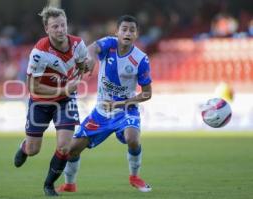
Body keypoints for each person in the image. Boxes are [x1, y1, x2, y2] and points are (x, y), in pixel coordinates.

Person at [56, 15, 153, 194]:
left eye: (132, 30)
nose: (128, 33)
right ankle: (70, 184)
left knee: (132, 138)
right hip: (101, 113)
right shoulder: (109, 43)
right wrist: (91, 58)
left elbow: (147, 93)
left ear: (137, 34)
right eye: (124, 29)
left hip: (125, 109)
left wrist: (120, 104)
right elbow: (91, 49)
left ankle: (134, 176)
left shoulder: (141, 59)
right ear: (117, 32)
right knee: (71, 150)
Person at [13, 6, 88, 196]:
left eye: (63, 25)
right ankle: (24, 147)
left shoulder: (78, 44)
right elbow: (32, 87)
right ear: (47, 29)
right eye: (55, 27)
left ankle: (48, 185)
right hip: (40, 101)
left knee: (65, 146)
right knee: (33, 149)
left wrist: (87, 66)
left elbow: (83, 64)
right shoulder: (39, 52)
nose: (61, 29)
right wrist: (63, 88)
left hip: (66, 100)